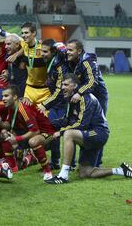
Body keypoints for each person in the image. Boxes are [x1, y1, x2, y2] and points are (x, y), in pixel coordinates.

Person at [45, 74, 132, 184]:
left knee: (69, 134)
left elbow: (82, 124)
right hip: (88, 134)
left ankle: (63, 176)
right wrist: (48, 124)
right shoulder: (71, 99)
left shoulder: (85, 98)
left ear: (75, 86)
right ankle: (120, 170)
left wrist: (61, 132)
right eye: (62, 84)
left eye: (66, 84)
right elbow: (66, 120)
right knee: (85, 172)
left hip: (98, 133)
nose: (62, 87)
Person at [66, 39, 108, 167]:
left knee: (94, 128)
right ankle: (71, 163)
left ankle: (96, 163)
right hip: (81, 97)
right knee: (74, 124)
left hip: (97, 98)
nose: (68, 52)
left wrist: (79, 92)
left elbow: (92, 82)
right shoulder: (72, 59)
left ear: (79, 51)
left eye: (70, 50)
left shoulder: (88, 61)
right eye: (67, 49)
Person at [0, 85, 55, 180]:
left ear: (15, 97)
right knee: (4, 134)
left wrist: (16, 139)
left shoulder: (24, 108)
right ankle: (13, 168)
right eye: (3, 96)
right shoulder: (11, 107)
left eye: (6, 96)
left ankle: (48, 171)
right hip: (30, 133)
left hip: (48, 133)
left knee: (33, 141)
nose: (3, 99)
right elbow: (9, 125)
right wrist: (0, 123)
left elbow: (35, 131)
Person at [38, 38, 69, 169]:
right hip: (56, 102)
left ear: (53, 52)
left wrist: (44, 105)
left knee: (59, 132)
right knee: (52, 131)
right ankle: (55, 162)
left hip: (62, 103)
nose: (42, 54)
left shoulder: (60, 66)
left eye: (45, 52)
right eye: (41, 51)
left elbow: (59, 92)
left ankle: (66, 163)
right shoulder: (51, 62)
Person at [20, 22, 50, 104]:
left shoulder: (43, 47)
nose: (23, 35)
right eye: (22, 33)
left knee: (43, 116)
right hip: (29, 90)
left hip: (44, 91)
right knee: (26, 116)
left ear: (34, 33)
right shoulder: (24, 44)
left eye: (26, 32)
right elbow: (12, 37)